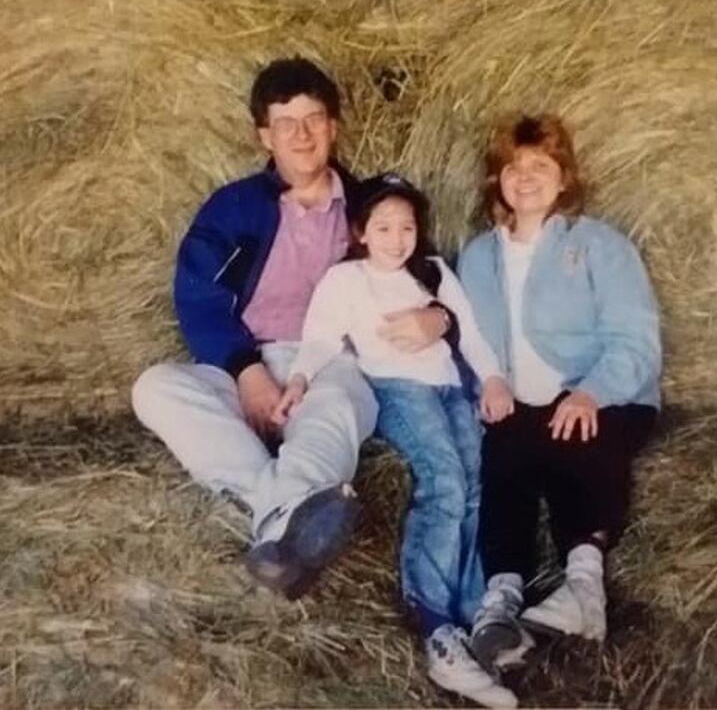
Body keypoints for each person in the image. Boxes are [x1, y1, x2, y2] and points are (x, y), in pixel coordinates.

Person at [131, 57, 452, 600]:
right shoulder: (235, 208)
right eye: (287, 123)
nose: (302, 135)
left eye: (314, 119)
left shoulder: (366, 206)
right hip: (248, 362)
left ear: (333, 126)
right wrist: (246, 371)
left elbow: (430, 273)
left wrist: (438, 317)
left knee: (344, 405)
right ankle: (285, 510)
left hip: (331, 365)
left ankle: (272, 516)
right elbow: (199, 296)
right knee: (155, 387)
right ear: (265, 135)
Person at [273, 173, 518, 709]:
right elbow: (319, 339)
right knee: (445, 479)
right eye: (382, 226)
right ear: (359, 231)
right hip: (399, 390)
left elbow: (469, 333)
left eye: (406, 226)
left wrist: (493, 378)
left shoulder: (431, 272)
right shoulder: (346, 279)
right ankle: (433, 621)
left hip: (452, 388)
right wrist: (297, 381)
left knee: (477, 484)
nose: (396, 237)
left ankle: (474, 613)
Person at [458, 113, 661, 670]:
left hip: (603, 394)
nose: (525, 178)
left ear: (564, 177)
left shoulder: (599, 245)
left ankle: (583, 589)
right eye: (513, 168)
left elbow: (635, 337)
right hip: (519, 404)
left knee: (574, 431)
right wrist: (488, 384)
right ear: (496, 180)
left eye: (540, 166)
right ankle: (500, 599)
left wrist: (592, 391)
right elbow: (468, 340)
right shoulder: (477, 257)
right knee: (504, 450)